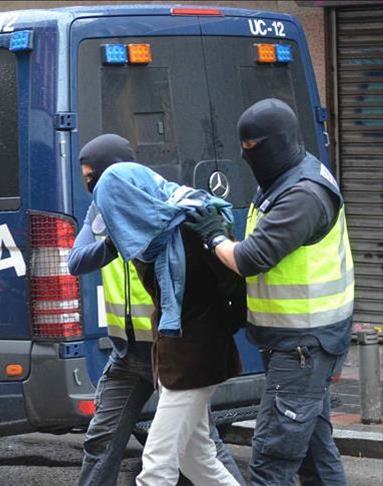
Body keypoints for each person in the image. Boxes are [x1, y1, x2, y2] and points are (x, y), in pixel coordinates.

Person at [186, 98, 352, 486]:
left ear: (279, 142)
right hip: (299, 340)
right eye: (243, 147)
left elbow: (251, 258)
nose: (247, 156)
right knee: (315, 456)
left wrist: (213, 237)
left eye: (253, 147)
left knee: (271, 461)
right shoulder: (284, 178)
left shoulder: (302, 194)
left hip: (304, 344)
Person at [70, 135, 245, 486]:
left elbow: (231, 283)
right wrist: (115, 238)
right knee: (197, 459)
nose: (91, 189)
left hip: (191, 358)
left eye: (94, 179)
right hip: (152, 353)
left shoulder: (185, 223)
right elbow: (77, 260)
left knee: (157, 465)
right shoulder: (137, 224)